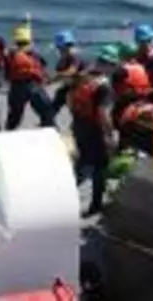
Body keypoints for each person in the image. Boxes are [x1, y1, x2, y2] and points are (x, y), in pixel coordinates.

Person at [68, 45, 118, 217]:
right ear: (109, 65)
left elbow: (70, 99)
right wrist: (110, 135)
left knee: (82, 162)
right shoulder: (105, 87)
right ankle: (95, 205)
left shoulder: (83, 78)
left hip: (79, 124)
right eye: (112, 65)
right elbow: (104, 114)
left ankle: (63, 195)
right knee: (99, 167)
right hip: (94, 130)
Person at [3, 24, 53, 130]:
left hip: (17, 87)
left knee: (15, 115)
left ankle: (8, 131)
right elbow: (43, 65)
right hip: (33, 85)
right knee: (46, 110)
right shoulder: (33, 54)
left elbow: (6, 71)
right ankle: (50, 128)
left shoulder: (11, 54)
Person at [50, 30, 88, 115]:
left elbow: (72, 71)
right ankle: (47, 121)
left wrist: (57, 75)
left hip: (81, 87)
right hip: (70, 86)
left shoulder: (74, 57)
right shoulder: (63, 59)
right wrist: (50, 81)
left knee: (77, 109)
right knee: (57, 101)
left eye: (60, 48)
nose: (59, 51)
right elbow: (60, 75)